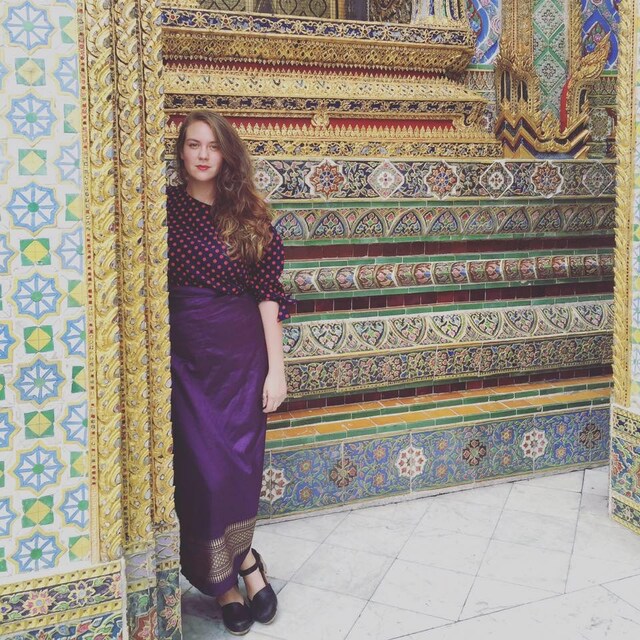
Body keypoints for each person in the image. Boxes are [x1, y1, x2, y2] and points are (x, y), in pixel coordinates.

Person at [167, 110, 291, 635]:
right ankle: (224, 583)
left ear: (226, 154)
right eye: (193, 144)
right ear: (181, 152)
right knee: (203, 474)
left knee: (239, 471)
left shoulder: (248, 216)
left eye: (212, 146)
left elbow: (268, 297)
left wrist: (276, 371)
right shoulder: (162, 211)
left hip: (241, 362)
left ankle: (245, 561)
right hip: (186, 365)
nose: (202, 155)